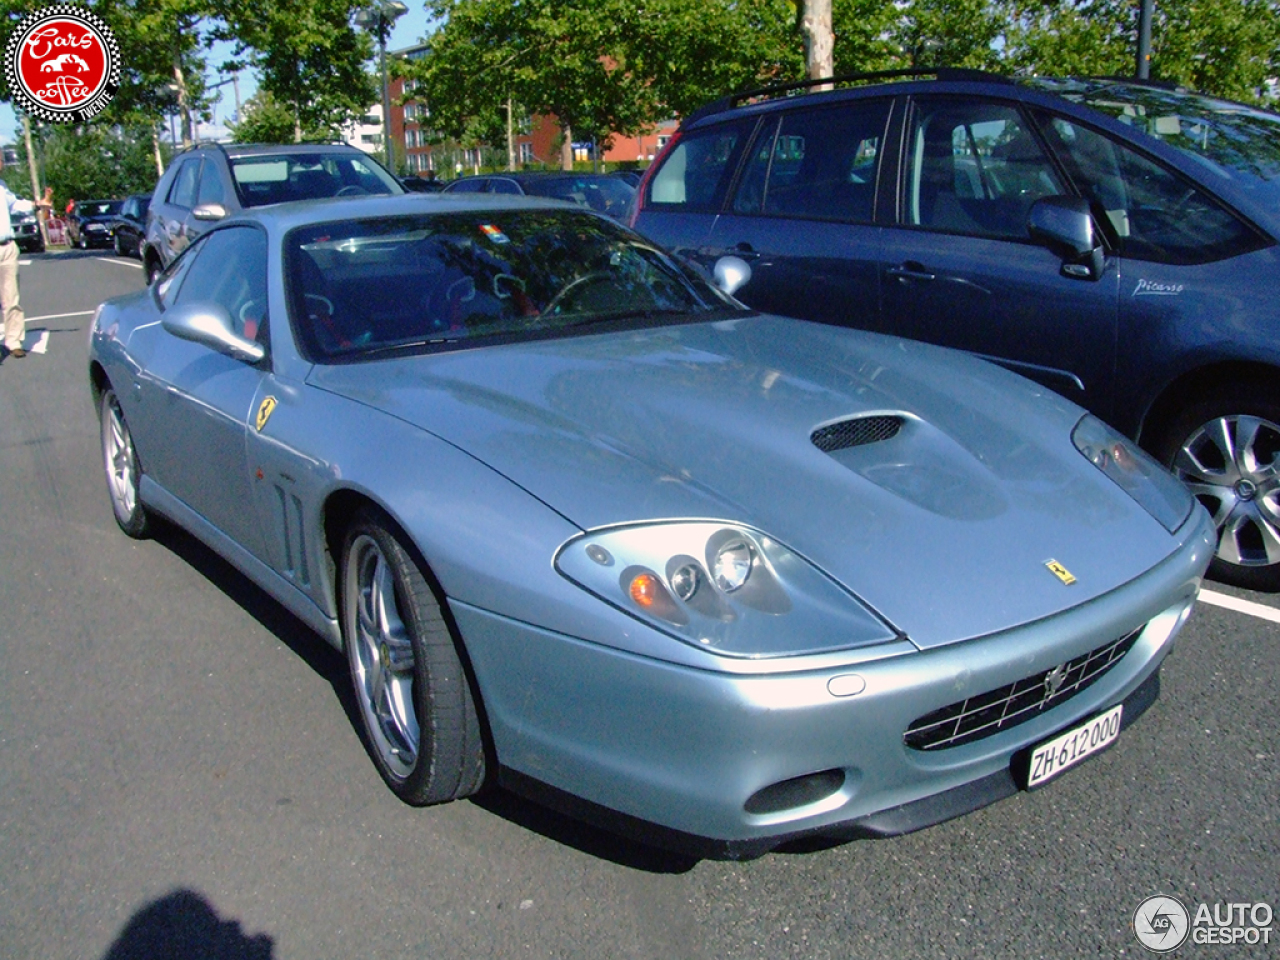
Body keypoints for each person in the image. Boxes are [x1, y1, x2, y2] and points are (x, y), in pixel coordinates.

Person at [0, 175, 52, 359]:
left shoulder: (2, 185)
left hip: (7, 247)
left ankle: (14, 342)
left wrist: (39, 204)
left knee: (11, 298)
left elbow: (15, 205)